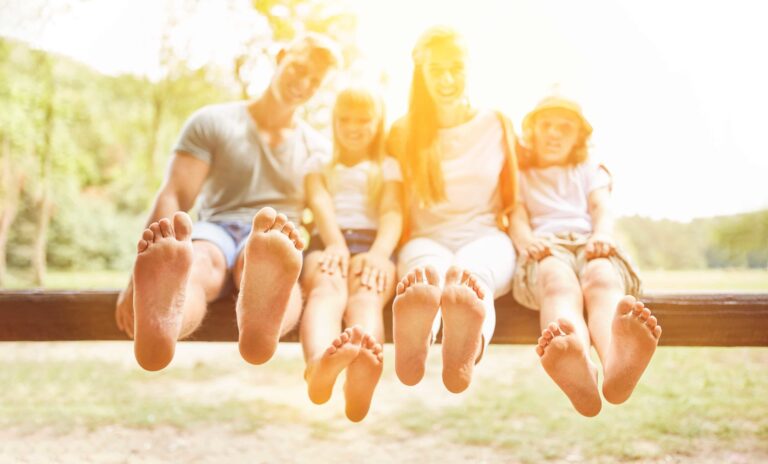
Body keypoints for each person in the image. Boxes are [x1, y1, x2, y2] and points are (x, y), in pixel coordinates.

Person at [114, 33, 342, 371]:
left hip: (274, 238)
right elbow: (175, 194)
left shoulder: (318, 149)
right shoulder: (214, 122)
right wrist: (136, 278)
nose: (304, 83)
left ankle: (262, 323)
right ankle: (164, 323)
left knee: (270, 266)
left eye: (315, 80)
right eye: (299, 68)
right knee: (199, 262)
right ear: (281, 57)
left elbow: (324, 210)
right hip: (216, 230)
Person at [509, 95, 661, 417]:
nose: (554, 133)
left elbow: (601, 208)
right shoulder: (520, 175)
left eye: (564, 128)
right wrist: (525, 240)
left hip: (592, 243)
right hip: (546, 247)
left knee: (602, 280)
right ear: (532, 131)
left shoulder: (589, 169)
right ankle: (575, 357)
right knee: (556, 281)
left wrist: (603, 235)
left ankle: (615, 360)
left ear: (579, 136)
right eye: (546, 126)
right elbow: (517, 218)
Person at [387, 26, 519, 394]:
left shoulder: (496, 123)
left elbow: (518, 194)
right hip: (426, 238)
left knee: (472, 278)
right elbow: (391, 204)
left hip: (487, 236)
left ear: (469, 67)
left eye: (455, 68)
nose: (447, 79)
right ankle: (417, 342)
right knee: (427, 275)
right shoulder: (401, 132)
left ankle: (465, 351)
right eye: (436, 70)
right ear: (421, 72)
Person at [300, 86, 402, 422]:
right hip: (328, 240)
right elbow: (320, 203)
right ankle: (318, 363)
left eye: (363, 119)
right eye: (345, 119)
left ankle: (362, 374)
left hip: (373, 244)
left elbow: (392, 213)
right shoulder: (319, 162)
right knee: (326, 288)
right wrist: (334, 244)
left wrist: (378, 254)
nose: (353, 126)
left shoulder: (387, 166)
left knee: (366, 294)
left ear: (378, 122)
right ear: (334, 121)